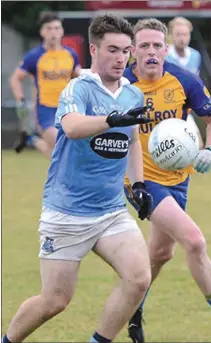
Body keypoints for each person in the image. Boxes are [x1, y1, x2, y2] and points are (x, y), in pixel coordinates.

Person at [2, 13, 154, 343]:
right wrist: (112, 119)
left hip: (111, 212)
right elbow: (71, 127)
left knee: (139, 278)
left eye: (126, 51)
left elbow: (131, 142)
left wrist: (138, 185)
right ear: (94, 50)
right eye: (113, 50)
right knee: (55, 301)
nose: (121, 58)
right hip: (67, 212)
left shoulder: (133, 94)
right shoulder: (78, 88)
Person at [123, 18, 211, 343]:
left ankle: (132, 310)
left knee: (161, 254)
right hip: (141, 180)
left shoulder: (185, 80)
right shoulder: (121, 85)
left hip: (178, 178)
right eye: (144, 46)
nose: (151, 52)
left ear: (166, 49)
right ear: (132, 51)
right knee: (193, 240)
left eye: (157, 46)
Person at [9, 11, 81, 159]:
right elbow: (15, 79)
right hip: (45, 110)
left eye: (56, 28)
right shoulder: (34, 56)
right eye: (49, 28)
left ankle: (31, 139)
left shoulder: (71, 54)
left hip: (67, 108)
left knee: (60, 153)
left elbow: (79, 77)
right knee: (60, 144)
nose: (53, 32)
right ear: (42, 32)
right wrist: (20, 100)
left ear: (62, 31)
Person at [166, 16, 204, 149]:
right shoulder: (164, 56)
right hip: (167, 107)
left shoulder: (195, 56)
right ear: (171, 35)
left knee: (198, 145)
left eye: (185, 34)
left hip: (186, 109)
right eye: (178, 34)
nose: (182, 38)